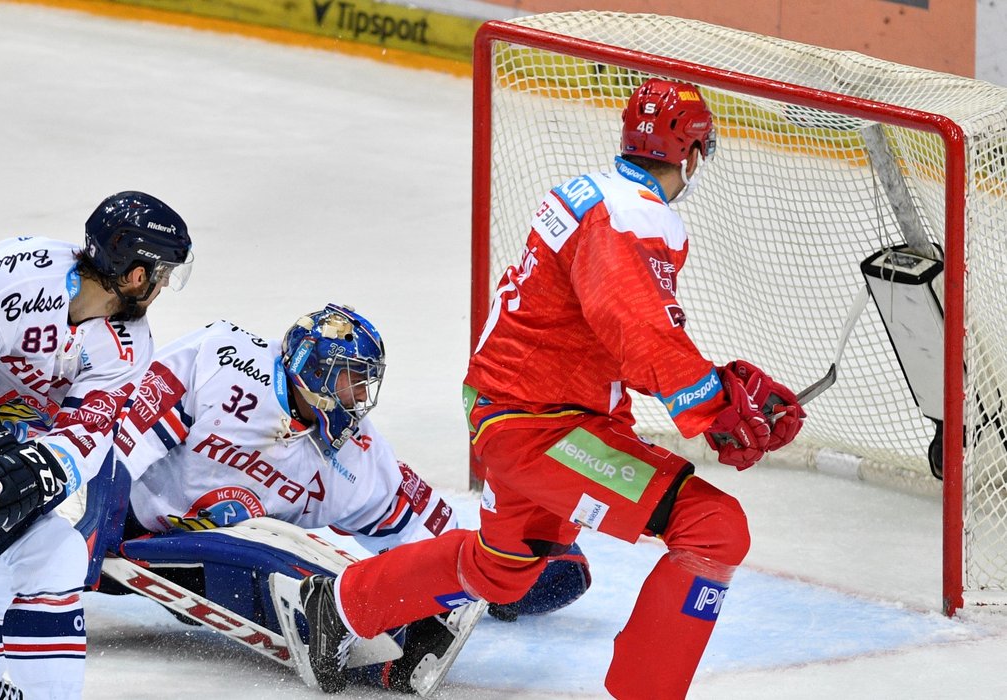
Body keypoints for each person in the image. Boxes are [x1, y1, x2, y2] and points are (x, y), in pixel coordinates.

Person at [294, 79, 808, 698]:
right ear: (692, 154)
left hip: (512, 411)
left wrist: (725, 387)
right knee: (714, 526)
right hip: (545, 426)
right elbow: (640, 332)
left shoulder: (597, 198)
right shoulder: (631, 217)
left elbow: (611, 333)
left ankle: (342, 606)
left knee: (503, 569)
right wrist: (716, 407)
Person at [96, 304, 588, 694]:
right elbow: (121, 438)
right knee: (270, 538)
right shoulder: (224, 360)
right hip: (123, 523)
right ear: (313, 367)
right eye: (351, 375)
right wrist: (96, 526)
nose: (361, 393)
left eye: (366, 379)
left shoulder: (359, 456)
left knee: (292, 556)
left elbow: (426, 538)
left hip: (198, 566)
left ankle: (389, 662)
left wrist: (507, 573)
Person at [0, 191, 193, 700]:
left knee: (54, 554)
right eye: (162, 273)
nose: (164, 285)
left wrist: (42, 469)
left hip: (7, 454)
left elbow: (87, 433)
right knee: (12, 558)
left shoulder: (131, 345)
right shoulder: (16, 277)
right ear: (135, 273)